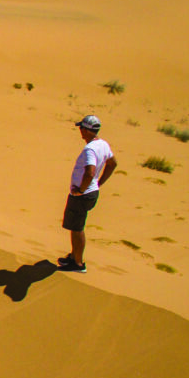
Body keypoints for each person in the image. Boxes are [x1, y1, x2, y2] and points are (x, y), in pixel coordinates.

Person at [58, 115, 117, 273]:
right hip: (91, 192)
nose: (80, 131)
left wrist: (81, 190)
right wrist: (98, 183)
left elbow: (90, 172)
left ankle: (78, 264)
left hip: (82, 196)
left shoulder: (90, 149)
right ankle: (73, 256)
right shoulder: (103, 144)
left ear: (87, 130)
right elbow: (113, 163)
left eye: (81, 128)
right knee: (75, 226)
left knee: (77, 228)